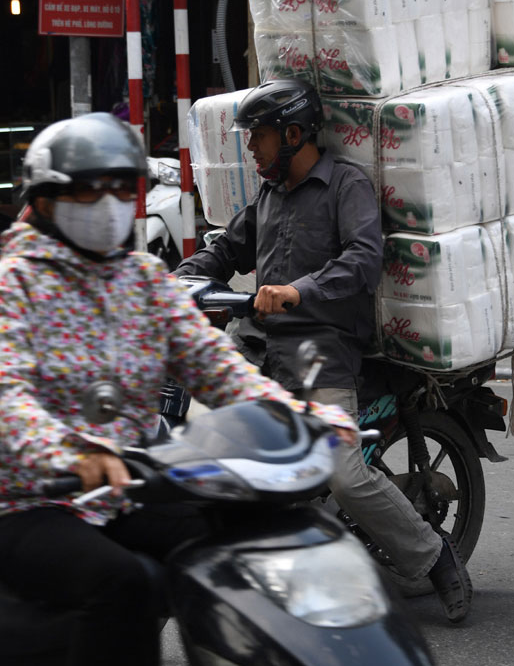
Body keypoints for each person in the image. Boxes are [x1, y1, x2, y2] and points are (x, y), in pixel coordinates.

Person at [0, 112, 358, 666]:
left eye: (124, 186)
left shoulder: (145, 279)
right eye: (91, 188)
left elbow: (220, 369)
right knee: (126, 585)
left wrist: (300, 417)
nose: (109, 202)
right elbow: (2, 395)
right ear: (46, 199)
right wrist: (69, 450)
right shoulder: (10, 285)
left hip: (127, 487)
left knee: (245, 547)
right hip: (29, 502)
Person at [176, 78, 472, 625]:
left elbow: (364, 258)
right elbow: (227, 247)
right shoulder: (269, 195)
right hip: (258, 346)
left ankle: (435, 558)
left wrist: (298, 291)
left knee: (343, 473)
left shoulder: (344, 185)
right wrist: (180, 279)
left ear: (293, 133)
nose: (251, 148)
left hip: (322, 350)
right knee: (196, 443)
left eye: (259, 136)